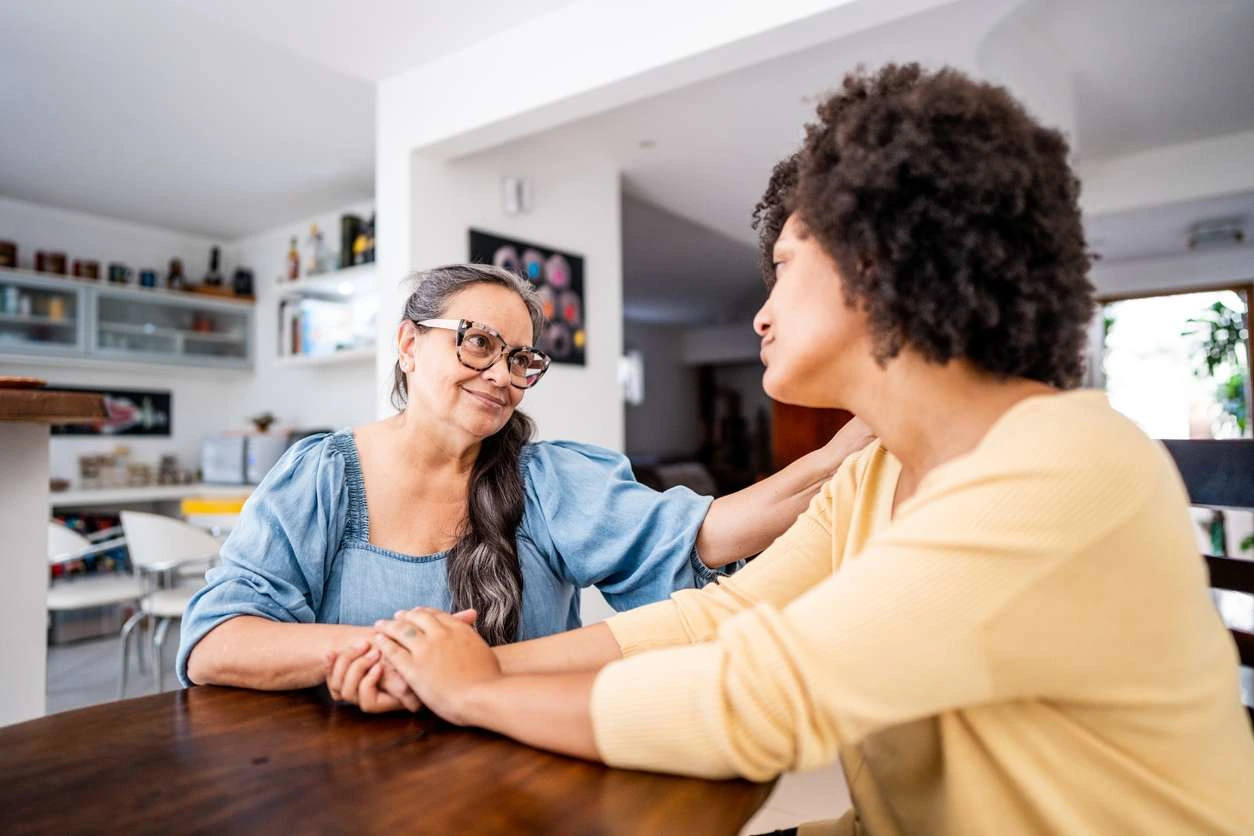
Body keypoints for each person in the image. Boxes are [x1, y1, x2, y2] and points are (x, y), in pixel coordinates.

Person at [352, 64, 1254, 833]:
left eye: (784, 263)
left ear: (882, 257)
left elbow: (760, 699)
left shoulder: (1066, 462)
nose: (761, 310)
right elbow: (720, 619)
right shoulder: (874, 474)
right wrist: (462, 663)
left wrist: (473, 693)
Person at [179, 263, 873, 714]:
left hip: (529, 773)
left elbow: (706, 533)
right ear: (408, 343)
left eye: (521, 358)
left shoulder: (544, 480)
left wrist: (845, 450)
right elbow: (216, 641)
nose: (503, 374)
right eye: (477, 343)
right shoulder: (322, 476)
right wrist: (393, 654)